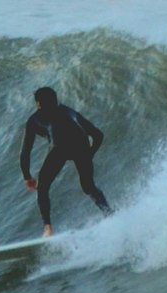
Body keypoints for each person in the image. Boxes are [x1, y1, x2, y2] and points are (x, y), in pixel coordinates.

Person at [20, 84, 112, 235]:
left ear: (38, 104)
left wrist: (27, 176)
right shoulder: (69, 111)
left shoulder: (34, 120)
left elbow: (25, 152)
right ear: (56, 100)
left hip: (59, 148)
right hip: (80, 144)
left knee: (42, 188)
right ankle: (109, 213)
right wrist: (90, 153)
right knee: (88, 186)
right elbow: (98, 135)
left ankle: (48, 229)